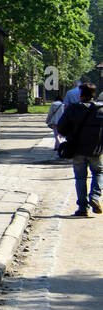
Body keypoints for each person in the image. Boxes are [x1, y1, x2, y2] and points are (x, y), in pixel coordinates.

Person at [56, 82, 103, 217]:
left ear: (81, 95)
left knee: (80, 178)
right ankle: (95, 196)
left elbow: (61, 128)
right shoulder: (101, 110)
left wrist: (69, 135)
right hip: (96, 150)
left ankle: (83, 208)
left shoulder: (72, 109)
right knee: (99, 172)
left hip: (77, 149)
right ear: (93, 95)